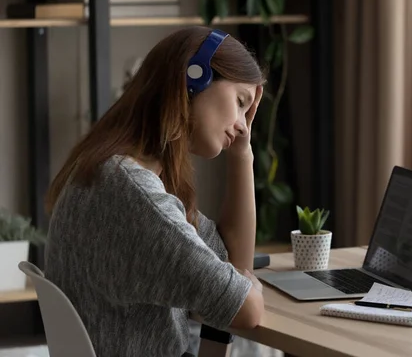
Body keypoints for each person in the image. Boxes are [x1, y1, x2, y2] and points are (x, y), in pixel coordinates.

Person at [43, 26, 265, 357]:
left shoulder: (109, 173)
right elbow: (245, 309)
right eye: (240, 101)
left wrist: (242, 154)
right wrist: (251, 291)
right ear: (195, 77)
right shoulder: (132, 195)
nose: (243, 124)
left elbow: (231, 259)